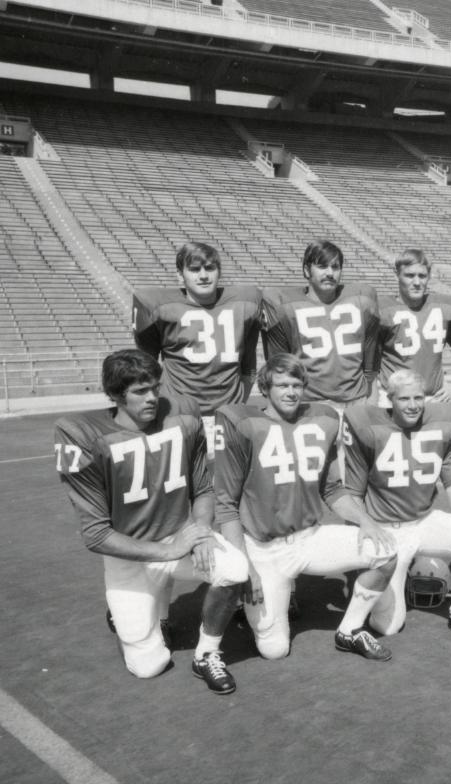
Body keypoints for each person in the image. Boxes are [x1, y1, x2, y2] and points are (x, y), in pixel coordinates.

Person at [54, 350, 248, 693]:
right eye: (139, 391)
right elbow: (96, 534)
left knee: (235, 569)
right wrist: (169, 550)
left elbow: (203, 488)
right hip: (128, 555)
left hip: (178, 536)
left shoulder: (183, 416)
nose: (152, 398)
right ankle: (133, 613)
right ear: (115, 395)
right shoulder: (82, 434)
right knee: (149, 666)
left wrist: (200, 533)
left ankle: (206, 654)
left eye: (155, 388)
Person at [214, 353, 398, 662]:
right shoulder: (243, 424)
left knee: (387, 553)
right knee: (274, 650)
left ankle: (350, 630)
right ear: (265, 388)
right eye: (282, 385)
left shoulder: (322, 419)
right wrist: (246, 567)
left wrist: (366, 522)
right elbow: (226, 505)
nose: (290, 392)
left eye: (297, 385)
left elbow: (332, 489)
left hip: (310, 538)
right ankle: (252, 608)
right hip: (264, 550)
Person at [337, 370, 451, 643]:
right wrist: (362, 538)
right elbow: (353, 492)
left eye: (418, 398)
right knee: (387, 627)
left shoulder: (442, 423)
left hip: (424, 521)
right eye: (405, 399)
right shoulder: (368, 427)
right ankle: (380, 583)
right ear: (390, 399)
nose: (412, 405)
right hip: (386, 528)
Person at [133, 241, 262, 457]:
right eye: (194, 269)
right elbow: (148, 366)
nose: (203, 275)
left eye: (210, 268)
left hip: (228, 414)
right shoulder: (160, 308)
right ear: (180, 275)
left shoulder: (245, 303)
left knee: (228, 485)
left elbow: (248, 365)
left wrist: (239, 402)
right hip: (180, 415)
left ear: (219, 272)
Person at [261, 240, 379, 411]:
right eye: (322, 266)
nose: (330, 273)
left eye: (335, 267)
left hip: (356, 401)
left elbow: (371, 354)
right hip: (310, 405)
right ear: (306, 270)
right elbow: (279, 364)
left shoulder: (363, 298)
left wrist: (372, 396)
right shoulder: (284, 305)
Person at [376, 249, 451, 407]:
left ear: (429, 276)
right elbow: (368, 364)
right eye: (409, 275)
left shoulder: (443, 308)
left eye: (422, 276)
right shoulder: (383, 311)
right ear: (397, 275)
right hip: (392, 400)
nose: (417, 282)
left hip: (433, 399)